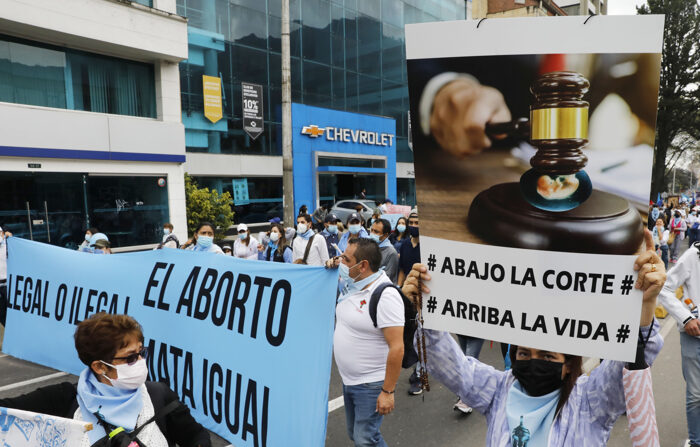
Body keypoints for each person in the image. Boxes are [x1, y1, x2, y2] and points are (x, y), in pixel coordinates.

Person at [402, 230, 665, 446]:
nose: (532, 362)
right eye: (524, 354)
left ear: (569, 364)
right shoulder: (498, 390)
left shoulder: (590, 400)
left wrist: (643, 308)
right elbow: (449, 364)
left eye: (548, 356)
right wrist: (425, 311)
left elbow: (628, 365)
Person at [0, 312, 211, 446]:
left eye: (141, 352)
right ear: (100, 367)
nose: (140, 362)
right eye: (130, 357)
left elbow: (195, 436)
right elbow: (5, 414)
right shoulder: (63, 400)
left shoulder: (158, 395)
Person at [333, 238, 403, 447]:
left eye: (346, 259)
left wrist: (388, 392)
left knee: (365, 439)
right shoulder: (353, 284)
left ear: (362, 266)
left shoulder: (385, 295)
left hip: (370, 383)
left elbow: (397, 347)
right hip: (350, 381)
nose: (341, 261)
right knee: (357, 435)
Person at [658, 239, 700, 447]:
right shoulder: (693, 256)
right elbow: (665, 289)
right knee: (696, 394)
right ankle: (695, 441)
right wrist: (686, 318)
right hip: (695, 336)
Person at [369, 218, 399, 284]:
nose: (372, 233)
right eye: (371, 230)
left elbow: (388, 277)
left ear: (385, 235)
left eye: (376, 232)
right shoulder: (369, 245)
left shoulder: (391, 252)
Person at [397, 213, 421, 288]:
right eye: (411, 223)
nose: (413, 225)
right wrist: (399, 287)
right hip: (407, 289)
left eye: (417, 223)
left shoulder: (427, 247)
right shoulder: (405, 244)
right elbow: (402, 269)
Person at [0, 227, 11, 327]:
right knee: (1, 313)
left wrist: (8, 237)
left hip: (7, 283)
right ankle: (10, 330)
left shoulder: (7, 244)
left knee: (11, 309)